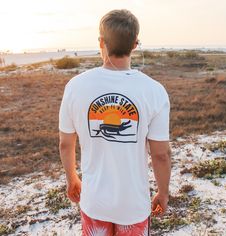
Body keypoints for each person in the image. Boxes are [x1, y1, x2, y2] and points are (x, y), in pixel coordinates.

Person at [59, 9, 171, 236]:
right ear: (135, 44)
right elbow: (161, 154)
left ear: (101, 42)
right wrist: (163, 192)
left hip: (94, 202)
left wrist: (72, 178)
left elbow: (66, 143)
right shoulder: (154, 91)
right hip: (134, 205)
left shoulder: (75, 86)